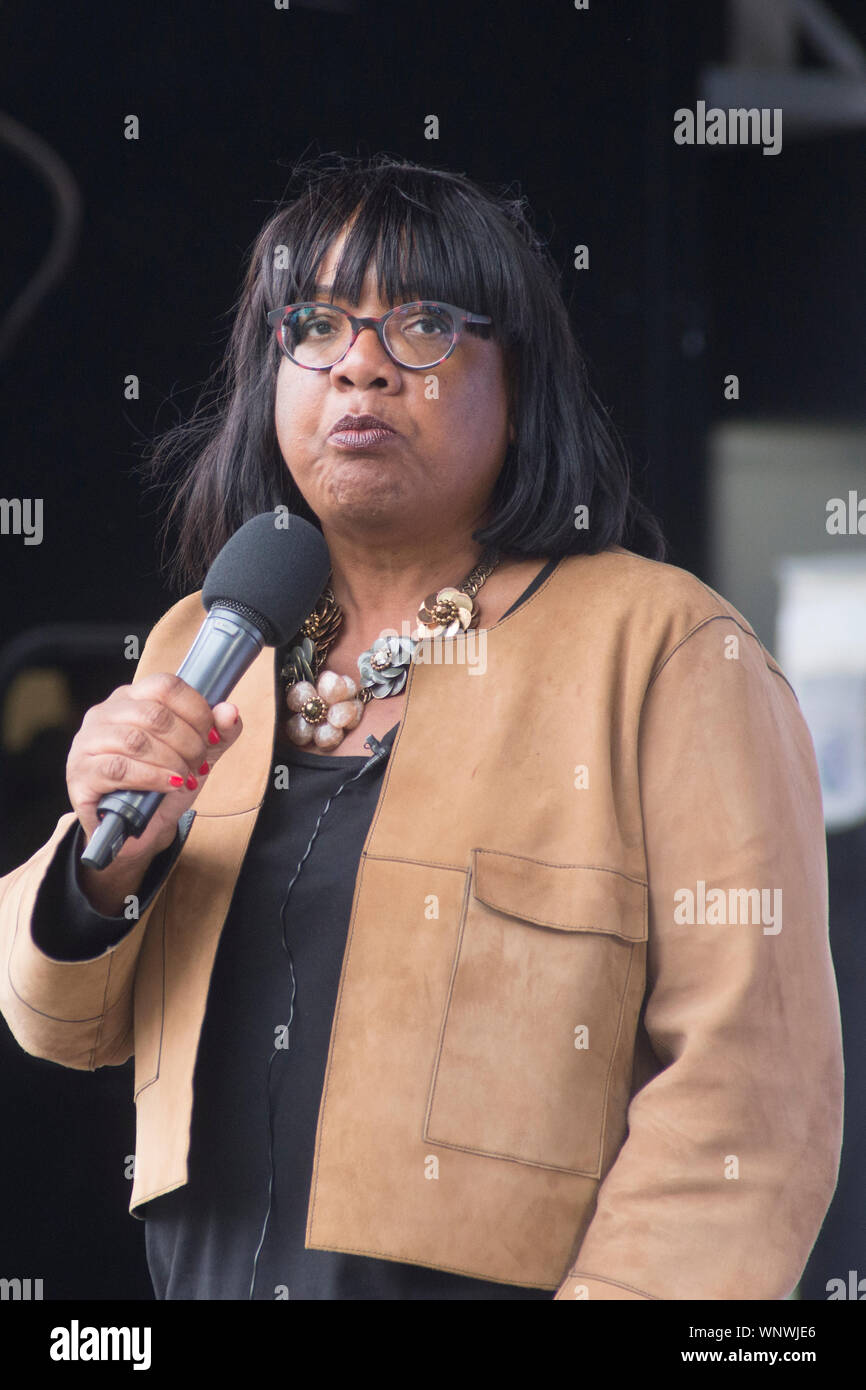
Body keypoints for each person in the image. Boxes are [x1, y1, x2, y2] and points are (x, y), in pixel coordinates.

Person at [0, 154, 843, 1301]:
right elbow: (66, 1031)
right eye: (316, 324)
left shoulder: (664, 649)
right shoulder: (204, 643)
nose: (361, 364)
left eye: (426, 327)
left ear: (519, 379)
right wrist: (95, 879)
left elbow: (750, 1093)